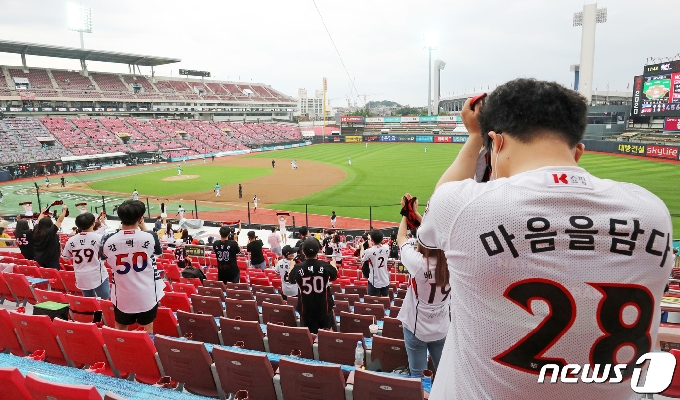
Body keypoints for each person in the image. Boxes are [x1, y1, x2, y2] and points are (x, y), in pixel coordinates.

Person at [420, 79, 673, 399]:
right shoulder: (652, 211)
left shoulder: (466, 208)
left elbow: (435, 217)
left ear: (495, 144)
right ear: (578, 152)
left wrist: (474, 137)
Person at [395, 201, 450, 378]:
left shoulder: (419, 263)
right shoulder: (453, 260)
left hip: (416, 328)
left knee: (418, 376)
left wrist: (406, 213)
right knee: (443, 374)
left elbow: (401, 238)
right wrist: (417, 214)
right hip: (442, 327)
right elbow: (438, 235)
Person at [101, 200, 163, 333]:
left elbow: (103, 257)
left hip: (122, 295)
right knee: (148, 329)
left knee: (121, 329)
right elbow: (157, 251)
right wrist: (143, 227)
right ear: (140, 219)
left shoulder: (107, 239)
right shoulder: (151, 236)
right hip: (147, 294)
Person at [288, 238, 337, 333]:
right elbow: (334, 276)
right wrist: (333, 264)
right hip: (324, 307)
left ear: (303, 251)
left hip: (306, 308)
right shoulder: (325, 266)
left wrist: (291, 266)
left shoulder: (298, 267)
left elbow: (291, 280)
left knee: (310, 334)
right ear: (318, 250)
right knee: (328, 331)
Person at [61, 212, 110, 299]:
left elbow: (65, 258)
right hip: (97, 276)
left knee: (89, 303)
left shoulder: (71, 240)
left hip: (81, 276)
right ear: (93, 224)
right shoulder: (100, 238)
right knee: (105, 301)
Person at [33, 204, 68, 269]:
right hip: (51, 259)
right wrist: (64, 210)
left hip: (39, 258)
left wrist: (42, 213)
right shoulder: (50, 232)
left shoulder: (36, 229)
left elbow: (38, 220)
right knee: (54, 274)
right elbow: (59, 220)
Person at [361, 229, 390, 296]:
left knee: (371, 302)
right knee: (385, 301)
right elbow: (378, 249)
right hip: (385, 280)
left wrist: (362, 247)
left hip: (374, 282)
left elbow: (362, 259)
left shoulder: (369, 251)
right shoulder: (386, 247)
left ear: (372, 240)